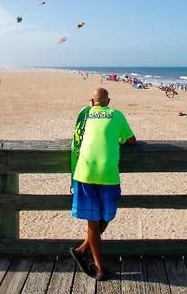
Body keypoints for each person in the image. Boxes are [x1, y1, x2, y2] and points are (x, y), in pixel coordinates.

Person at [70, 88, 135, 281]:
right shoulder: (116, 115)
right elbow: (131, 140)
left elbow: (76, 141)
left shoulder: (84, 114)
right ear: (108, 101)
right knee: (104, 216)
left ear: (92, 101)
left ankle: (82, 249)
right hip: (108, 175)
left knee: (95, 220)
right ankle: (98, 267)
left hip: (84, 172)